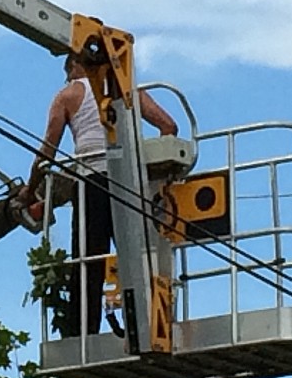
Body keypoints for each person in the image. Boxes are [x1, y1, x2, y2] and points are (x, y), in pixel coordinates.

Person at [21, 53, 178, 337]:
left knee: (88, 259)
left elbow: (48, 149)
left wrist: (30, 190)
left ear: (73, 67)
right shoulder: (127, 89)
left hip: (93, 179)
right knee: (139, 257)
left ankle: (83, 331)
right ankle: (152, 326)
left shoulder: (68, 94)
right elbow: (168, 126)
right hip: (131, 182)